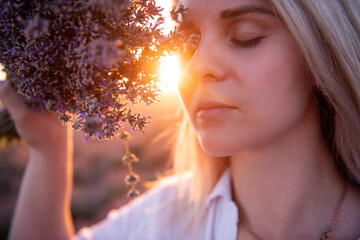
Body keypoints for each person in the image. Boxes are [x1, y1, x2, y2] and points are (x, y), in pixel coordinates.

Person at [1, 0, 360, 239]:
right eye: (187, 40)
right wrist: (47, 150)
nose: (198, 65)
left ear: (318, 53)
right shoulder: (159, 222)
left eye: (245, 36)